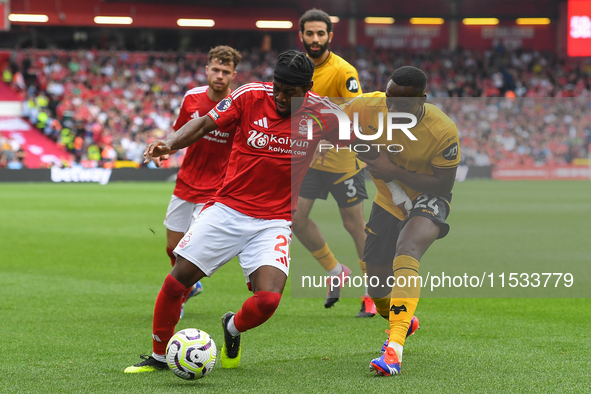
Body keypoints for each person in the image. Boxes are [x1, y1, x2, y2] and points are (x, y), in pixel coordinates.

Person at [124, 50, 349, 373]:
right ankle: (159, 357)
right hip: (227, 210)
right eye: (278, 88)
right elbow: (203, 123)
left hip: (274, 221)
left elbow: (362, 143)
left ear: (308, 88)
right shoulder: (249, 96)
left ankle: (232, 327)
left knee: (268, 301)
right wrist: (170, 144)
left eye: (291, 92)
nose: (282, 97)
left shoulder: (323, 113)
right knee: (177, 283)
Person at [346, 66, 460, 375]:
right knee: (377, 287)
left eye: (402, 104)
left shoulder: (443, 130)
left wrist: (393, 171)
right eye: (389, 100)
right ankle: (403, 320)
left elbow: (442, 184)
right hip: (387, 202)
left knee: (406, 250)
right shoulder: (367, 106)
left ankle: (394, 350)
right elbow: (337, 124)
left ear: (422, 99)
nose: (392, 108)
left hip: (429, 196)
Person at [295, 8, 374, 316]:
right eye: (309, 33)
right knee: (295, 219)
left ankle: (372, 291)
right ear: (301, 35)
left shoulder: (344, 72)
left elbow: (359, 114)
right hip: (310, 163)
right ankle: (334, 270)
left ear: (330, 36)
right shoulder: (298, 68)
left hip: (344, 163)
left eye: (320, 33)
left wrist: (329, 139)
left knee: (354, 225)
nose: (315, 39)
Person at [159, 46, 241, 318]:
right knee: (172, 246)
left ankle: (180, 296)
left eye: (225, 72)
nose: (219, 75)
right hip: (185, 183)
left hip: (214, 190)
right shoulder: (192, 98)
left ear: (233, 75)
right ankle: (191, 287)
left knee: (187, 251)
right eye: (215, 69)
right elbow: (180, 132)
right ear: (206, 69)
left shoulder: (237, 105)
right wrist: (166, 150)